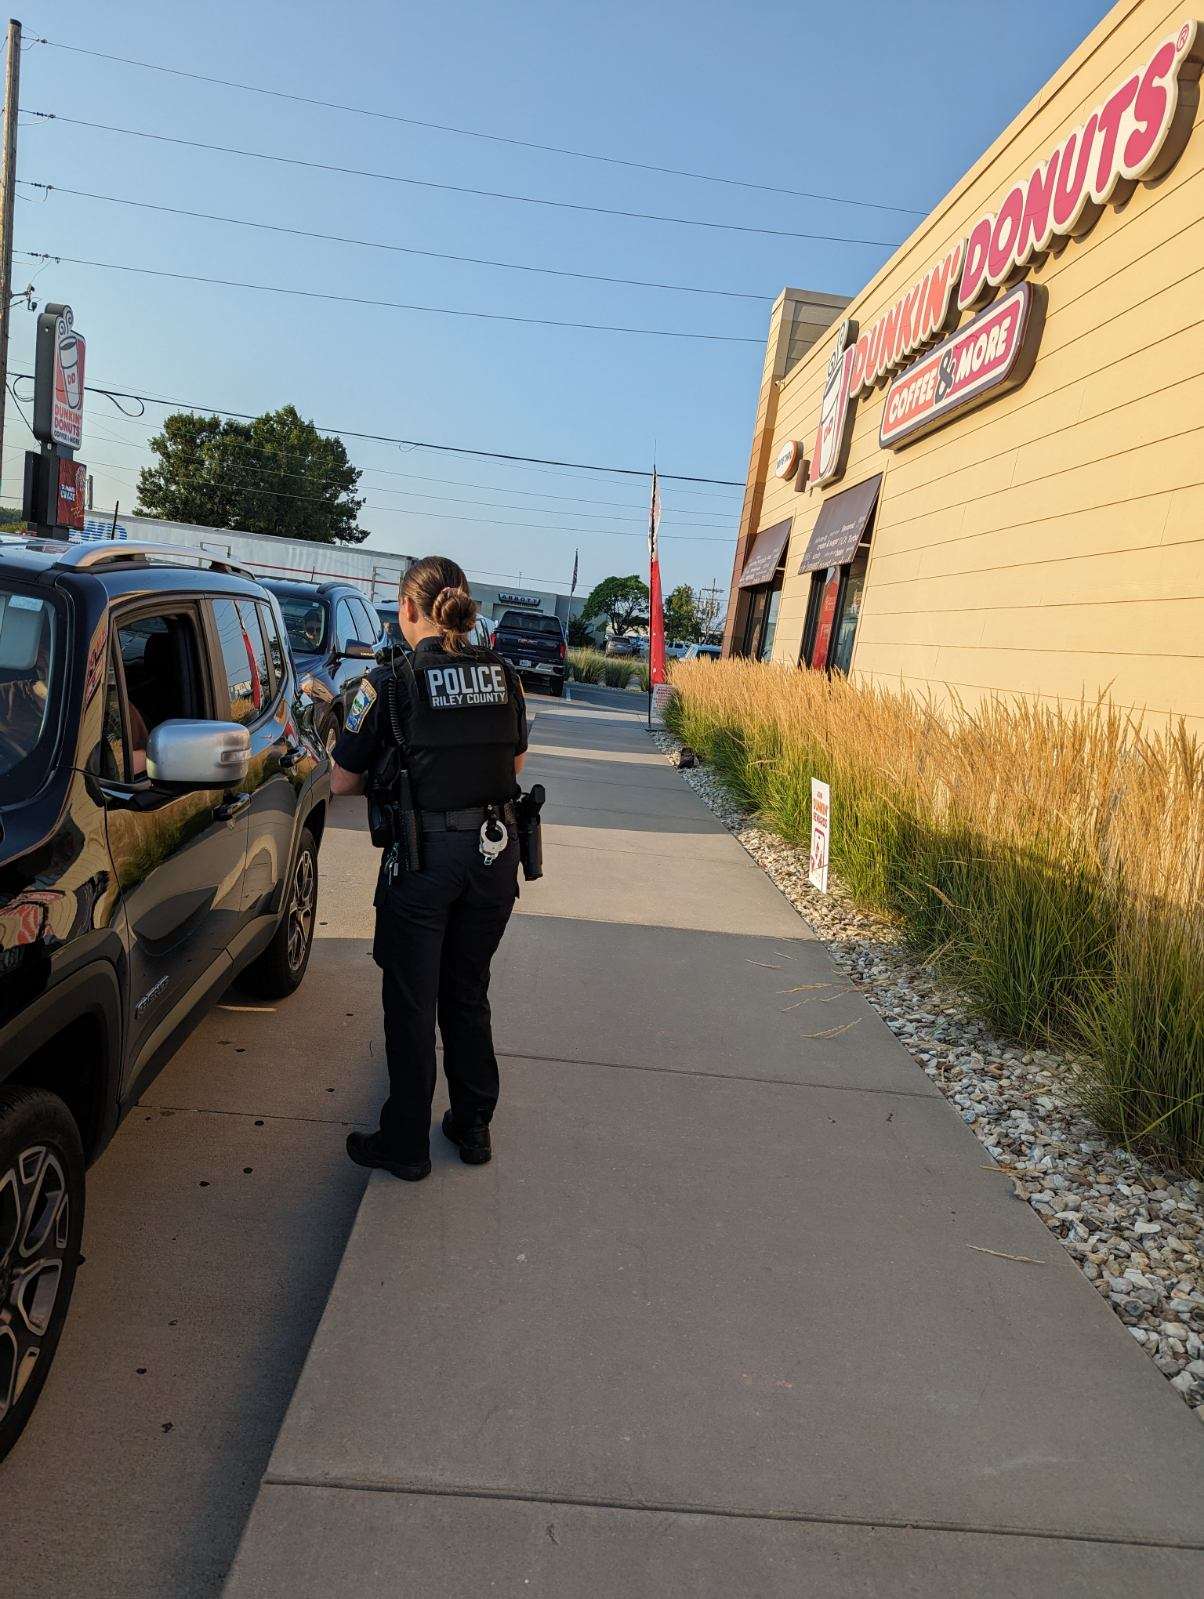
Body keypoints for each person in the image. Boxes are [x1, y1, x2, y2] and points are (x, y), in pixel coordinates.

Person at [330, 556, 528, 1181]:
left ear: (409, 609)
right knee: (466, 991)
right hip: (495, 857)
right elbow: (514, 768)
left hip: (423, 859)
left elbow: (341, 782)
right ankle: (472, 1124)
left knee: (413, 1002)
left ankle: (406, 1142)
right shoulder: (505, 676)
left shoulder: (389, 684)